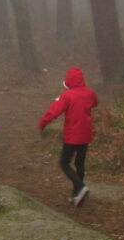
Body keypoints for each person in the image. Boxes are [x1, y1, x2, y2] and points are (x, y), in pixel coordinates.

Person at [39, 66, 98, 206]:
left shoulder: (67, 96)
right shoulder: (89, 93)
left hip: (72, 135)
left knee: (64, 163)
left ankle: (80, 186)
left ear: (68, 81)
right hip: (85, 135)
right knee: (79, 163)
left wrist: (43, 123)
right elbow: (95, 103)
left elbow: (54, 111)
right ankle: (76, 194)